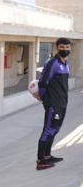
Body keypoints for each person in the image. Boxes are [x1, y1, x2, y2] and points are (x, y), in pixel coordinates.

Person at [34, 37, 71, 170]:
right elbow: (43, 82)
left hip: (62, 103)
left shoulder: (66, 64)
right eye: (62, 47)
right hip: (53, 104)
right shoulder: (52, 63)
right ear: (57, 48)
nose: (64, 50)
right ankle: (40, 160)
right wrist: (45, 100)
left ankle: (47, 156)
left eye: (67, 47)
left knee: (55, 130)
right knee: (48, 130)